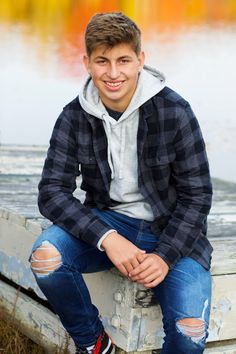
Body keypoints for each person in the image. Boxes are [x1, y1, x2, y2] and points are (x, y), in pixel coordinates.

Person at [30, 12, 213, 354]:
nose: (113, 74)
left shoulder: (174, 111)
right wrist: (107, 238)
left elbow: (197, 196)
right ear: (87, 63)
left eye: (123, 60)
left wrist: (164, 256)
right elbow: (52, 192)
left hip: (170, 230)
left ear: (141, 60)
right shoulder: (74, 116)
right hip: (108, 221)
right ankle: (94, 343)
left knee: (190, 335)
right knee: (46, 259)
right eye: (102, 61)